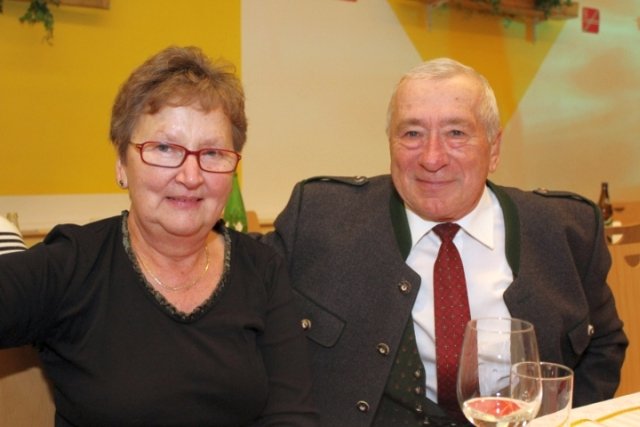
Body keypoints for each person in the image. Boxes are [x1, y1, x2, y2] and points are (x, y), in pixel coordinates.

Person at [262, 58, 627, 426]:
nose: (432, 158)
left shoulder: (567, 231)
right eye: (412, 134)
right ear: (390, 144)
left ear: (494, 149)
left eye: (456, 133)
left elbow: (603, 345)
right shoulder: (319, 219)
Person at [0, 46, 318, 427]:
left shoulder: (262, 269)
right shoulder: (73, 265)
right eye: (165, 148)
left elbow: (292, 416)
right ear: (121, 164)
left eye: (212, 153)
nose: (191, 176)